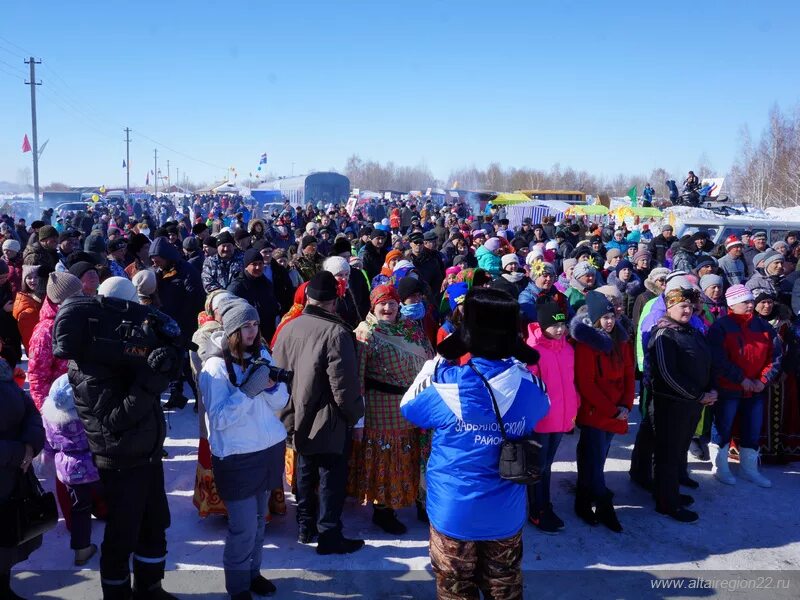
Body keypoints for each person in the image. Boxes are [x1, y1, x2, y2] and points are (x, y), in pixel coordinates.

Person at [401, 287, 548, 600]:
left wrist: (434, 364)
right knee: (504, 587)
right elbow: (542, 409)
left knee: (455, 590)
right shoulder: (529, 384)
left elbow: (409, 408)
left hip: (454, 511)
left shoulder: (447, 383)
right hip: (505, 514)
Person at [67, 300, 181, 599]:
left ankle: (150, 586)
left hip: (147, 455)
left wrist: (164, 362)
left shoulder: (125, 357)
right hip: (119, 462)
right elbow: (116, 418)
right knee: (122, 536)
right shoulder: (87, 367)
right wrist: (153, 377)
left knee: (154, 526)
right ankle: (116, 594)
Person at [199, 300, 289, 600]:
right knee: (243, 529)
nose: (252, 331)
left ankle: (254, 573)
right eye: (245, 326)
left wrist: (272, 387)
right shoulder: (214, 366)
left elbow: (280, 403)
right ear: (232, 328)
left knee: (260, 524)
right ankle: (237, 587)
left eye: (255, 325)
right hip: (237, 456)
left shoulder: (262, 353)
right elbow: (219, 419)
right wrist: (248, 391)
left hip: (268, 449)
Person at [271, 271, 366, 554]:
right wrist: (354, 414)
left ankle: (305, 525)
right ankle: (328, 534)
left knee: (304, 468)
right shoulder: (336, 333)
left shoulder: (289, 326)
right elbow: (343, 385)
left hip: (294, 412)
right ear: (334, 302)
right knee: (330, 477)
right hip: (327, 415)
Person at [350, 284, 433, 535]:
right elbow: (358, 377)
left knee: (417, 453)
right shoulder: (365, 332)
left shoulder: (411, 329)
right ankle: (383, 510)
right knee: (388, 457)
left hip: (416, 403)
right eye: (382, 304)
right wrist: (358, 420)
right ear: (373, 306)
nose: (388, 308)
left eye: (393, 303)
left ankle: (421, 501)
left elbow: (430, 359)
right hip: (382, 407)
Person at [647, 288, 717, 523]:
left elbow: (706, 361)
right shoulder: (664, 334)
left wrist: (710, 390)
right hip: (672, 404)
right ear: (669, 308)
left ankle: (670, 492)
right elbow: (668, 374)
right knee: (667, 453)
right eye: (682, 306)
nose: (687, 310)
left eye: (689, 306)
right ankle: (667, 503)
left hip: (692, 403)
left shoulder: (690, 330)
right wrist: (698, 395)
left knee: (678, 450)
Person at [571, 290, 634, 533]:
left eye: (612, 317)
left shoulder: (621, 339)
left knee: (597, 458)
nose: (610, 322)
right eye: (605, 318)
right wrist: (611, 410)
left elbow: (630, 373)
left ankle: (584, 498)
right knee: (593, 460)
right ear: (596, 319)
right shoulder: (588, 345)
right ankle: (602, 504)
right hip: (597, 411)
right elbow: (586, 383)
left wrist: (626, 405)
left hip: (617, 410)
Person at [707, 285, 779, 488]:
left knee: (752, 429)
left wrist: (763, 380)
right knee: (723, 426)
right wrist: (741, 379)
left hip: (755, 389)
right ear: (732, 304)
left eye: (750, 301)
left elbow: (775, 357)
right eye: (745, 302)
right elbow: (718, 359)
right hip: (729, 387)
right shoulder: (721, 327)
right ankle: (720, 467)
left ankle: (749, 469)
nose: (750, 305)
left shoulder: (764, 327)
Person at [525, 302, 579, 534]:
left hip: (561, 416)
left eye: (562, 325)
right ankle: (537, 510)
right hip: (542, 419)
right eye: (554, 325)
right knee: (538, 466)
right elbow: (529, 387)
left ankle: (544, 505)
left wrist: (574, 406)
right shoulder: (533, 350)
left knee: (547, 465)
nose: (559, 330)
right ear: (543, 325)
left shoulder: (567, 348)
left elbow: (570, 382)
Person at [41, 374, 101, 565]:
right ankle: (123, 540)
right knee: (113, 498)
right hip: (95, 466)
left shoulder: (49, 418)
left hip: (68, 471)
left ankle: (81, 550)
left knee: (79, 508)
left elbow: (48, 445)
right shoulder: (87, 415)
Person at [0, 356, 46, 600]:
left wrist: (30, 444)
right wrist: (19, 452)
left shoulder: (1, 370)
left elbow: (29, 408)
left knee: (6, 541)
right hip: (11, 464)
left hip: (12, 479)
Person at [228, 248, 281, 343]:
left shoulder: (266, 283)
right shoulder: (237, 287)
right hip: (247, 336)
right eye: (254, 264)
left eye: (260, 264)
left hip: (267, 334)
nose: (258, 267)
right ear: (246, 266)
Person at [12, 264, 42, 355]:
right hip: (37, 352)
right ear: (24, 280)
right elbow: (28, 336)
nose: (33, 280)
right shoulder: (26, 307)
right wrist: (32, 354)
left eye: (36, 277)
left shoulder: (41, 297)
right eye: (29, 277)